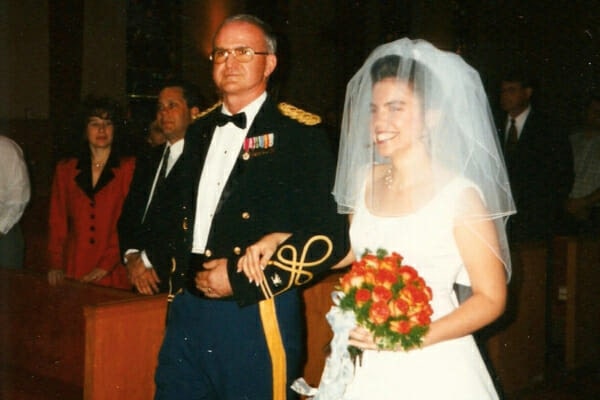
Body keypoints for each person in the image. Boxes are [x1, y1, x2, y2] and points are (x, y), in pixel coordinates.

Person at [243, 38, 515, 399]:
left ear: (431, 117)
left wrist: (408, 338)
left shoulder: (460, 197)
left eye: (396, 108)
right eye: (373, 109)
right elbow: (351, 253)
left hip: (432, 357)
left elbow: (490, 298)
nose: (379, 121)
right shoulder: (366, 179)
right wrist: (281, 239)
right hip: (366, 353)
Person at [153, 14, 349, 400]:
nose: (230, 62)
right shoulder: (198, 131)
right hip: (187, 312)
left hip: (255, 311)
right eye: (221, 53)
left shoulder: (300, 135)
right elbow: (173, 214)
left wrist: (241, 280)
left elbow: (331, 235)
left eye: (244, 51)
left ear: (270, 63)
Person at [118, 80, 201, 296]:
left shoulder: (201, 161)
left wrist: (146, 260)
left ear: (194, 113)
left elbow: (185, 222)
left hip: (173, 274)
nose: (164, 113)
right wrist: (131, 255)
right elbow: (130, 213)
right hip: (138, 274)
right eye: (160, 108)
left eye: (172, 106)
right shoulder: (149, 158)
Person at [47, 96, 134, 289]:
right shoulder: (65, 169)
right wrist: (55, 264)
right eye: (95, 124)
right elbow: (57, 221)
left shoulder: (129, 168)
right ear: (84, 130)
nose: (102, 130)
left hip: (114, 267)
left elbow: (130, 221)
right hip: (75, 265)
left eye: (108, 124)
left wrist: (106, 264)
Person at [498, 70, 573, 243]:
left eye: (511, 90)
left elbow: (563, 173)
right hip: (501, 216)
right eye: (502, 91)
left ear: (527, 92)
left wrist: (547, 210)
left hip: (536, 220)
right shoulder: (494, 123)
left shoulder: (549, 127)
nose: (505, 96)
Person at [561, 94, 600, 235]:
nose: (597, 115)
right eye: (594, 111)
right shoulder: (572, 140)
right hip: (567, 207)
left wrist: (584, 203)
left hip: (594, 210)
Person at [0, 134, 31, 269]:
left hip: (4, 234)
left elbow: (19, 197)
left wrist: (1, 229)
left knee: (7, 287)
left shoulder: (5, 148)